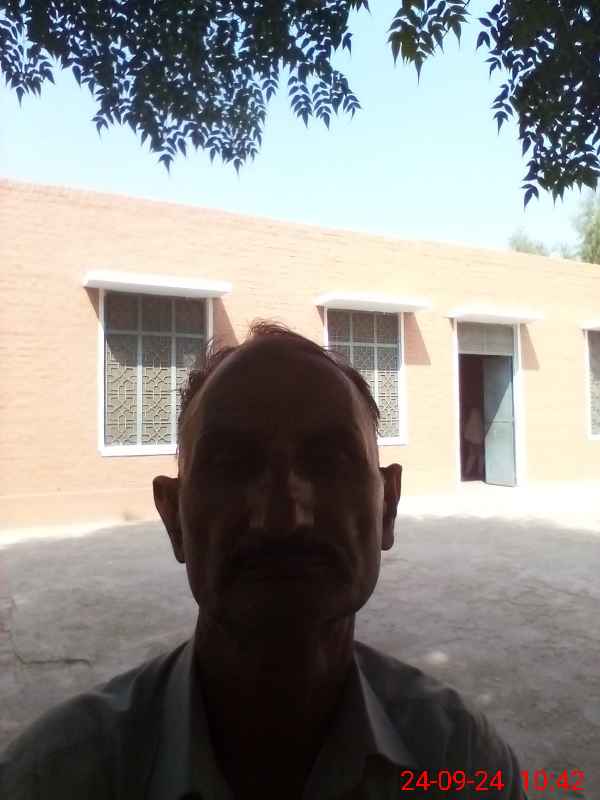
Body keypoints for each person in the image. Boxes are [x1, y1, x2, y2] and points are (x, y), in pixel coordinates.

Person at [0, 320, 527, 799]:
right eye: (231, 464)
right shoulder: (55, 777)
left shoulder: (463, 763)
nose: (283, 517)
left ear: (387, 507)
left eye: (329, 462)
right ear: (173, 516)